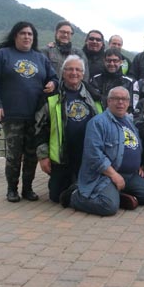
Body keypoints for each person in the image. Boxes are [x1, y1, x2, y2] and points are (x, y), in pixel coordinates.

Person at [0, 21, 58, 202]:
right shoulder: (3, 56)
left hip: (36, 116)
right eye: (23, 33)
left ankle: (28, 189)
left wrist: (53, 83)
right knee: (14, 155)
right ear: (15, 36)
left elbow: (53, 77)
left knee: (32, 155)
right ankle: (11, 189)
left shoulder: (40, 58)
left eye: (30, 34)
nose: (26, 37)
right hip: (13, 115)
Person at [59, 87, 144, 215]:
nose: (120, 102)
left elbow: (135, 145)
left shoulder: (129, 121)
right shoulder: (98, 123)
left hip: (129, 175)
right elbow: (94, 155)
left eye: (124, 99)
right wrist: (114, 175)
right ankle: (73, 196)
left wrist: (139, 165)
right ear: (109, 101)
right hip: (105, 175)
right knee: (108, 207)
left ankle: (114, 194)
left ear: (128, 102)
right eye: (116, 99)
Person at [35, 55, 102, 203]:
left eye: (78, 70)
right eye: (70, 69)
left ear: (83, 74)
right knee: (56, 197)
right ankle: (75, 189)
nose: (74, 73)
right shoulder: (51, 96)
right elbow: (39, 128)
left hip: (87, 154)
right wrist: (43, 156)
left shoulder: (94, 95)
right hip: (61, 156)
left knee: (85, 188)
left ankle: (78, 189)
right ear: (63, 72)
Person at [90, 48, 137, 112]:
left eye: (115, 61)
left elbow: (133, 107)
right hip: (99, 119)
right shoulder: (95, 79)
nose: (112, 64)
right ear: (104, 61)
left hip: (123, 119)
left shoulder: (131, 82)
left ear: (121, 62)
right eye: (109, 60)